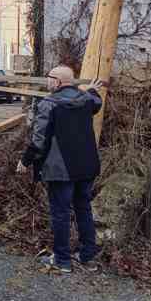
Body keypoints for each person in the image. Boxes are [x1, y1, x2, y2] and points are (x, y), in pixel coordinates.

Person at [16, 64, 105, 274]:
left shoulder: (49, 104)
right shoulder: (86, 99)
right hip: (86, 166)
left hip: (60, 169)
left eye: (49, 77)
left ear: (56, 81)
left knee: (61, 214)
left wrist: (26, 160)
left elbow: (39, 140)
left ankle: (62, 261)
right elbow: (95, 102)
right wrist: (91, 90)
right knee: (83, 209)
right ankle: (87, 256)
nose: (47, 81)